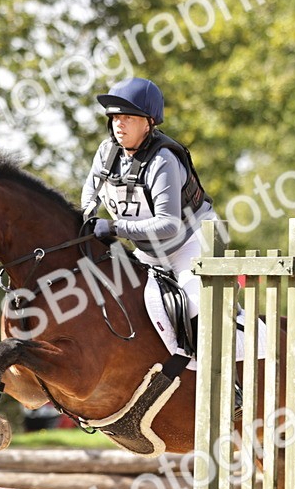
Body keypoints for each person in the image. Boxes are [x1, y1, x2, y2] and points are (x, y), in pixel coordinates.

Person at [81, 77, 219, 331]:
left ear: (149, 123)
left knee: (193, 305)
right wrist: (87, 219)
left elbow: (168, 225)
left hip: (191, 242)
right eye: (114, 118)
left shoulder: (162, 160)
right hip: (149, 249)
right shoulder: (106, 152)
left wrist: (114, 228)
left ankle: (216, 361)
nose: (119, 124)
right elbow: (90, 195)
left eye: (128, 118)